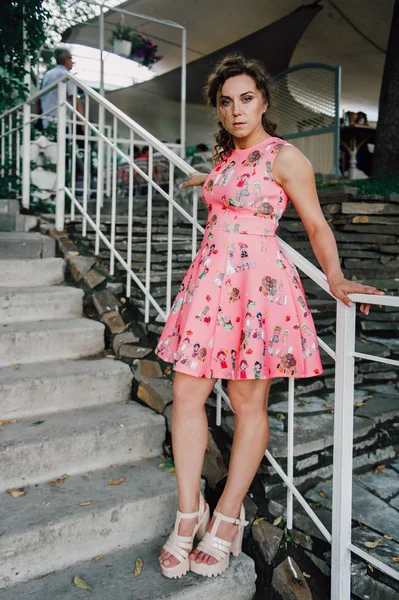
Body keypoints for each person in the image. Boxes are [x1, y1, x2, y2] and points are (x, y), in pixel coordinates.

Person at [156, 54, 382, 580]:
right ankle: (188, 514)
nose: (237, 110)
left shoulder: (285, 157)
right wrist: (201, 178)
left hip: (255, 287)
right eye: (227, 101)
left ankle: (228, 518)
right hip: (210, 282)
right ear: (219, 108)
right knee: (187, 392)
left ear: (263, 102)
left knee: (245, 400)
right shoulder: (225, 159)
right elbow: (227, 184)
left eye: (247, 99)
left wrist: (336, 276)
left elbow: (317, 225)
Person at [38, 48, 84, 129]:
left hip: (46, 121)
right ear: (65, 59)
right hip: (62, 121)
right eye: (71, 58)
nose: (72, 62)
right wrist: (83, 124)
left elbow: (39, 98)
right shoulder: (66, 75)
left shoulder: (47, 75)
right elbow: (74, 99)